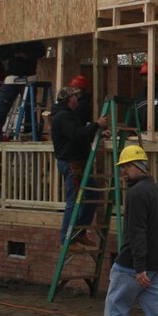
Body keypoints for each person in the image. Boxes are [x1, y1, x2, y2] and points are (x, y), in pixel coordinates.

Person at [94, 145, 158, 316]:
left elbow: (137, 232)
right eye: (122, 167)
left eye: (127, 166)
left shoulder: (136, 194)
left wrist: (140, 268)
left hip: (133, 267)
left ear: (140, 166)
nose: (124, 171)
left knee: (115, 308)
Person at [52, 86, 110, 245]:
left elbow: (80, 133)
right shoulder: (63, 117)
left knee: (92, 194)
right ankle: (67, 238)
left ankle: (78, 231)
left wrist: (96, 132)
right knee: (74, 200)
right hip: (72, 164)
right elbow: (76, 134)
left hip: (78, 163)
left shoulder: (69, 116)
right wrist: (97, 125)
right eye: (75, 97)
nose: (78, 99)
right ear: (69, 99)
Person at [0, 40, 47, 142]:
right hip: (12, 77)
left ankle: (29, 132)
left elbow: (41, 51)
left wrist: (27, 56)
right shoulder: (11, 40)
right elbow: (2, 55)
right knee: (2, 106)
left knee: (29, 107)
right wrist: (14, 51)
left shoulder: (32, 39)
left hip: (28, 77)